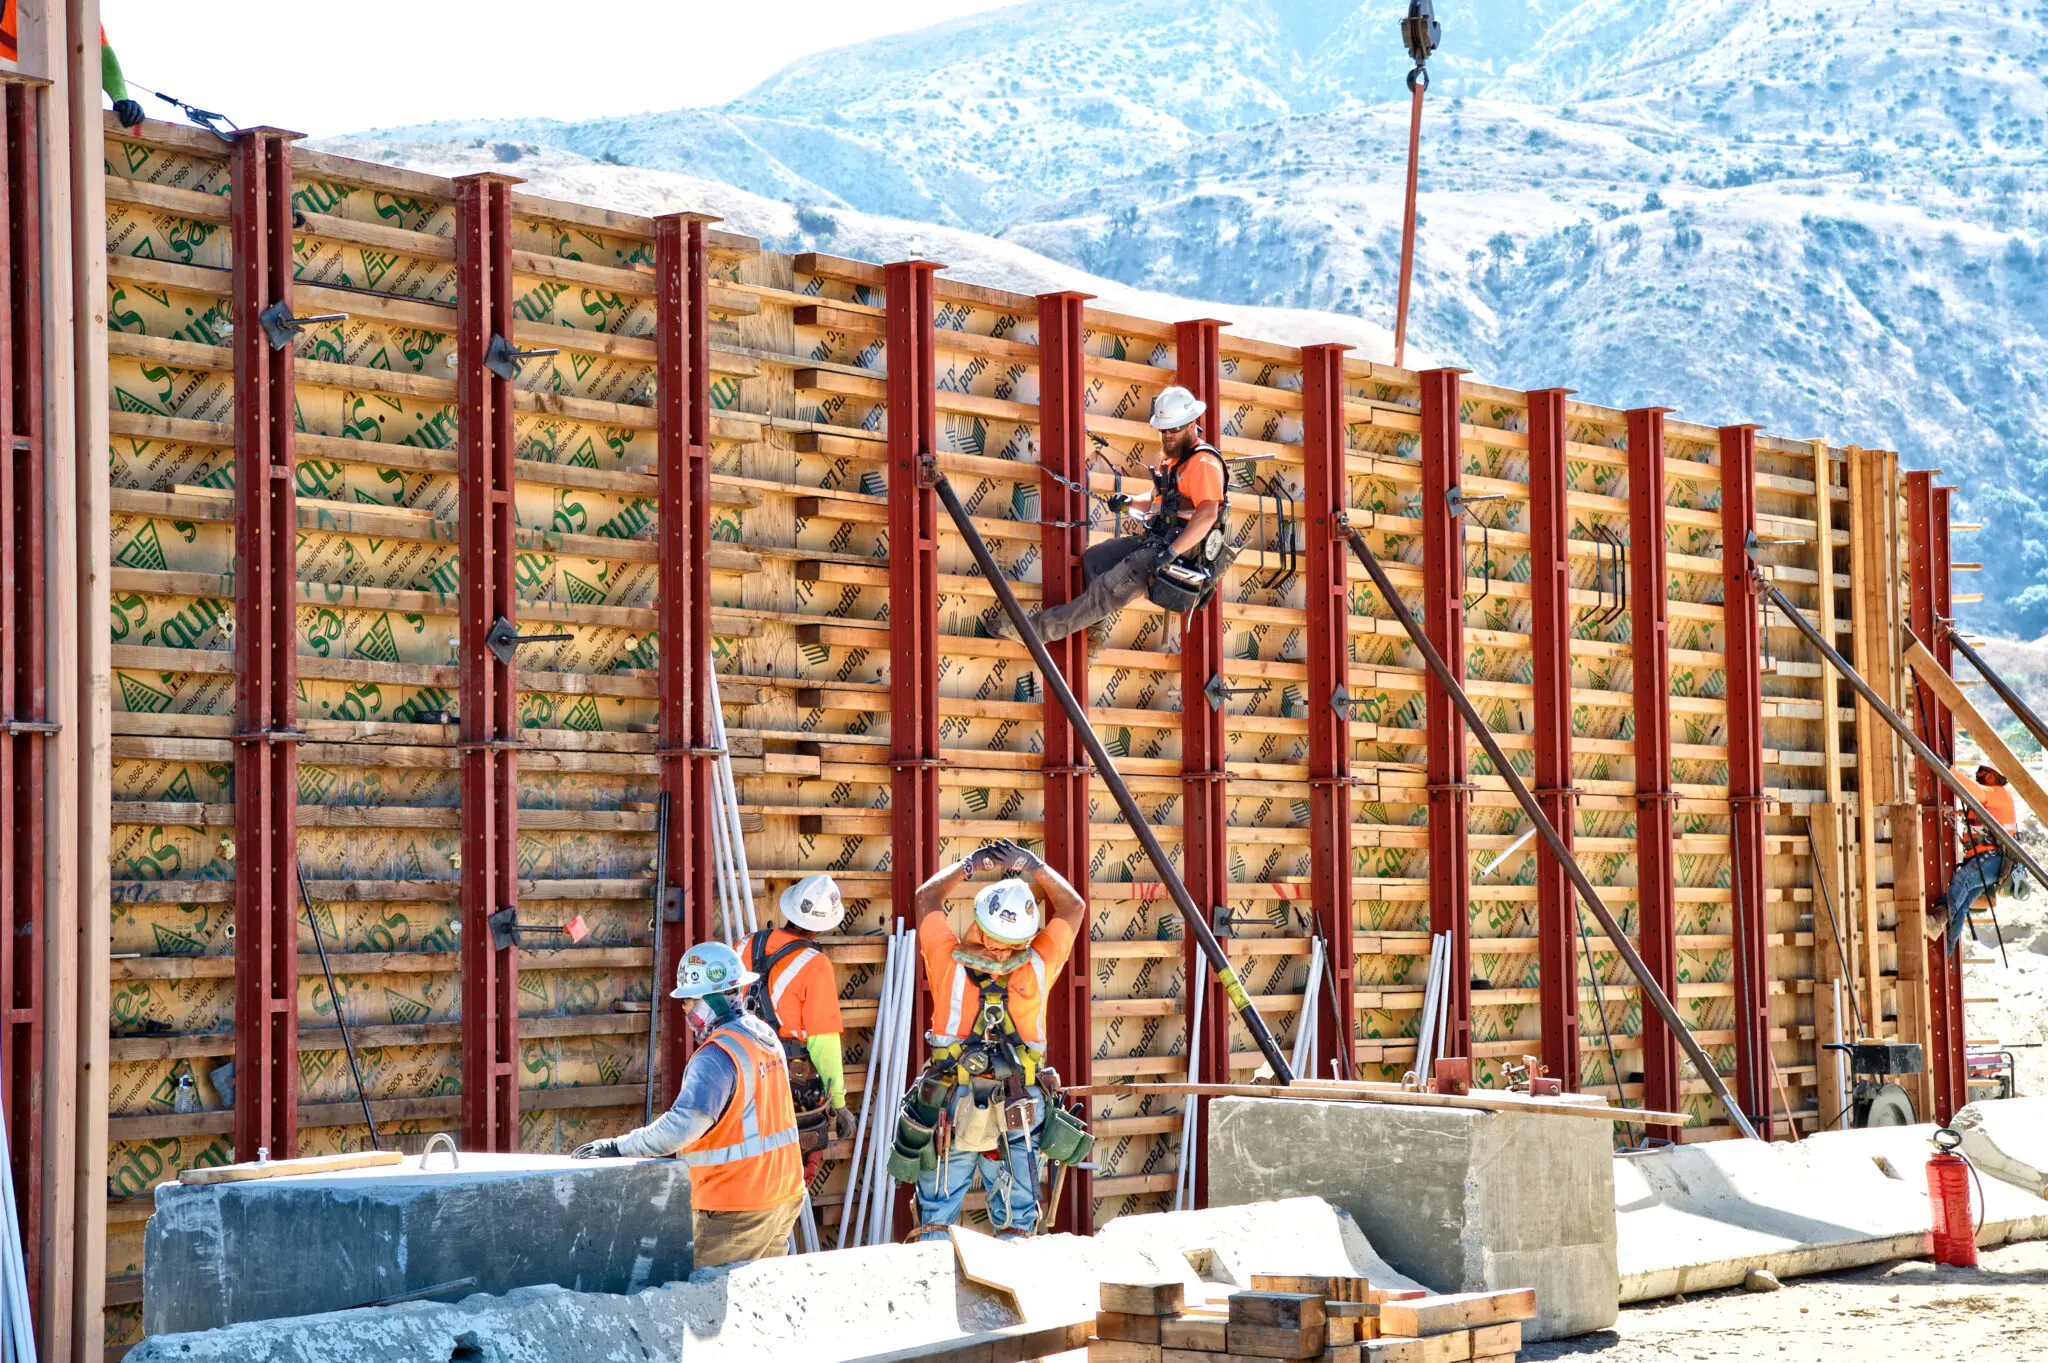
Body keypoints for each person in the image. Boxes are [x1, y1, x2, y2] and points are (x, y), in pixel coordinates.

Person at [571, 941, 804, 1267]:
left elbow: (683, 1126)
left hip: (736, 1204)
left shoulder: (716, 1056)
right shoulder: (762, 1036)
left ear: (713, 999)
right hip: (783, 1195)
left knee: (709, 1307)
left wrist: (618, 1146)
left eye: (690, 1001)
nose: (685, 1011)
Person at [898, 839, 1085, 1240]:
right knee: (1017, 1222)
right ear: (1027, 932)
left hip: (952, 1102)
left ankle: (930, 1278)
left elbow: (926, 898)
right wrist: (1035, 866)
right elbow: (1073, 908)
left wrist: (970, 864)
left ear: (978, 920)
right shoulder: (1037, 964)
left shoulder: (947, 959)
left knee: (936, 1215)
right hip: (1019, 1105)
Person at [995, 385, 1230, 646]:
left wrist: (1171, 553)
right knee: (1096, 559)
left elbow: (1207, 514)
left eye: (1173, 429)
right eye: (1164, 430)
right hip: (1159, 540)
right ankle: (1094, 634)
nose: (1168, 435)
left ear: (1191, 424)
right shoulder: (1173, 461)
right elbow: (1155, 500)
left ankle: (1034, 631)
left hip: (1182, 553)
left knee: (1106, 591)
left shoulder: (1204, 463)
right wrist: (1129, 502)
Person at [744, 874, 858, 1181]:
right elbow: (824, 1044)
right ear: (825, 923)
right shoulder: (815, 965)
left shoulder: (746, 944)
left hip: (736, 1067)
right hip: (787, 1080)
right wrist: (840, 1103)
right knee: (789, 1175)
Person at [1944, 763, 2020, 947]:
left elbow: (1977, 792)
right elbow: (1981, 817)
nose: (1977, 775)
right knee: (1962, 905)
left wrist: (1950, 770)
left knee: (1962, 881)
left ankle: (1938, 919)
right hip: (1988, 860)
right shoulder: (1992, 801)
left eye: (1982, 773)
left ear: (1993, 776)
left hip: (1993, 859)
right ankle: (1946, 946)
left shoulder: (1998, 793)